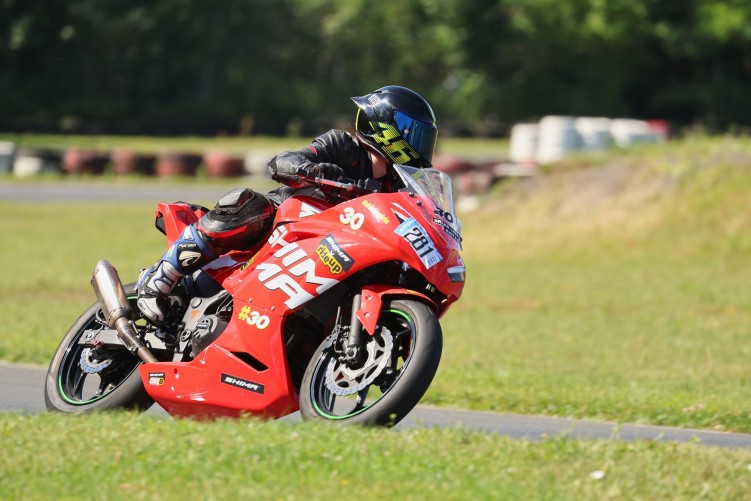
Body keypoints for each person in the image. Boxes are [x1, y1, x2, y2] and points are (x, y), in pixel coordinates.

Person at [136, 85, 439, 324]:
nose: (423, 145)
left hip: (338, 248)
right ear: (389, 128)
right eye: (418, 135)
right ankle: (162, 277)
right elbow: (285, 161)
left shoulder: (398, 186)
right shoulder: (342, 145)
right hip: (290, 222)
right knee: (249, 203)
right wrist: (312, 170)